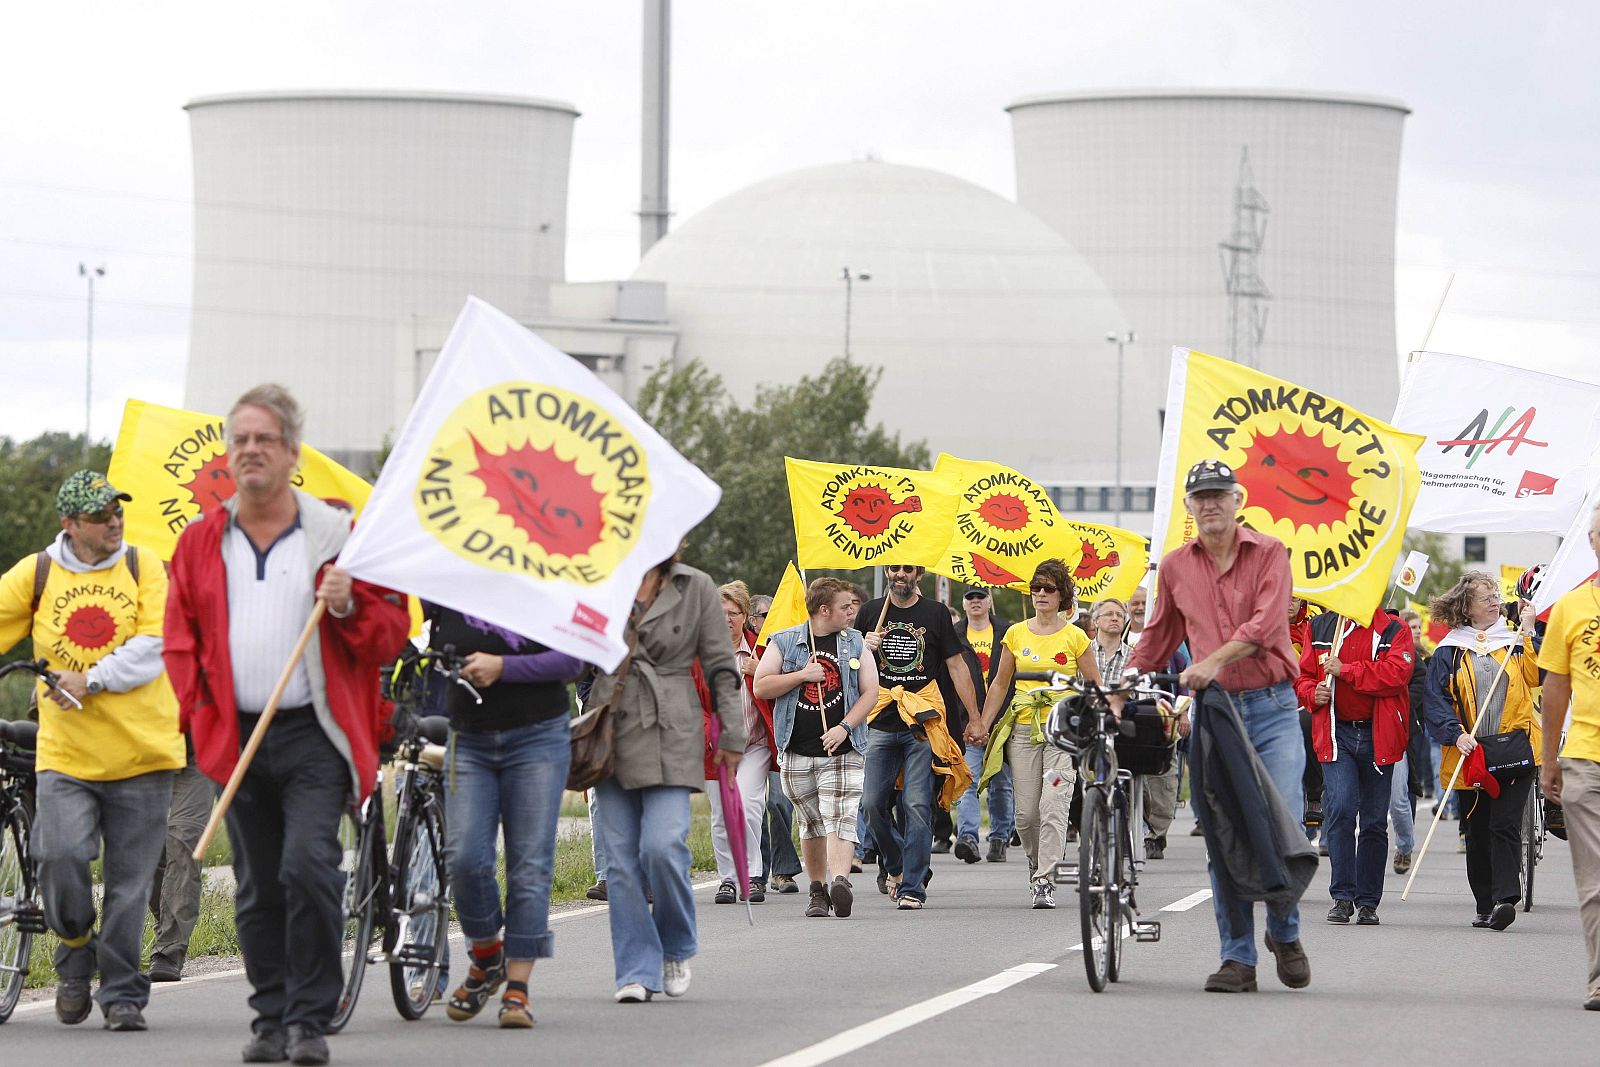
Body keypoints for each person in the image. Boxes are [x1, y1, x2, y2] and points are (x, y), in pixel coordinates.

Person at [165, 385, 410, 1064]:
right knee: (257, 882)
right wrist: (199, 710)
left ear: (291, 451)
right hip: (235, 733)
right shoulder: (200, 541)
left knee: (308, 865)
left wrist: (351, 601)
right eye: (239, 439)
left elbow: (393, 630)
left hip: (315, 733)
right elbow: (179, 638)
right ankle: (269, 1018)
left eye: (263, 439)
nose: (249, 450)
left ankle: (310, 1017)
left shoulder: (338, 534)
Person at [0, 470, 183, 1031]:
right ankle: (76, 947)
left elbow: (155, 645)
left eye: (117, 511)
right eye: (101, 515)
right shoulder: (37, 574)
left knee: (129, 887)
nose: (114, 521)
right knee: (57, 854)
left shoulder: (142, 566)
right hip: (68, 754)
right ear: (70, 525)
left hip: (143, 753)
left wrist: (92, 678)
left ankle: (124, 994)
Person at [1127, 458, 1309, 994]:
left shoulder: (1271, 553)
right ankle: (1238, 959)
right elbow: (1158, 637)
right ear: (1189, 507)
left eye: (1218, 495)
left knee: (1282, 824)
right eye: (1199, 497)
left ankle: (1284, 931)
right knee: (1225, 831)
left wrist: (1211, 662)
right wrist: (1124, 683)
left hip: (1273, 707)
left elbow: (1268, 625)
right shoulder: (1177, 566)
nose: (1210, 505)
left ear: (1238, 499)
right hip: (1217, 714)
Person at [587, 554, 743, 1003]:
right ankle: (635, 969)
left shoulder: (695, 585)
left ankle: (674, 946)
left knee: (663, 846)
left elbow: (720, 666)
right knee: (619, 861)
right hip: (611, 723)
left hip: (672, 726)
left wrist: (731, 731)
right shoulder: (599, 573)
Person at [430, 603, 582, 1029]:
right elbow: (408, 619)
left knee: (528, 865)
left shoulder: (547, 574)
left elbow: (573, 660)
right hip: (468, 738)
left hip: (537, 736)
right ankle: (485, 956)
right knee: (462, 856)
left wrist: (503, 667)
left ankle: (518, 989)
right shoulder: (450, 576)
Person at [969, 561, 1100, 907]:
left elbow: (1094, 687)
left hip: (1061, 734)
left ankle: (1045, 878)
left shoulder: (1076, 637)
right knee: (1027, 813)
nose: (1041, 594)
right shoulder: (1015, 633)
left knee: (1053, 804)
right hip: (1024, 729)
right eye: (1036, 588)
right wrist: (982, 722)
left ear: (1062, 596)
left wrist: (1093, 724)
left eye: (1049, 589)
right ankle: (1034, 861)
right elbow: (999, 683)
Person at [1422, 570, 1542, 931]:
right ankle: (1484, 902)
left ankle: (1505, 900)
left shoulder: (1517, 639)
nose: (1494, 600)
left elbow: (1537, 678)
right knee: (1478, 830)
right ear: (1467, 608)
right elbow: (1435, 699)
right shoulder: (1450, 649)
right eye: (1484, 596)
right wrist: (1454, 734)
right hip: (1471, 752)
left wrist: (1530, 632)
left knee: (1505, 824)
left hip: (1514, 747)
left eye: (1494, 594)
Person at [754, 577, 879, 918]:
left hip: (844, 749)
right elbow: (761, 685)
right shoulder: (784, 641)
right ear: (824, 610)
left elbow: (870, 692)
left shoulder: (855, 643)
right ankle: (817, 890)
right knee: (811, 824)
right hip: (796, 750)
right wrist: (801, 676)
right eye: (844, 607)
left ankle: (840, 881)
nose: (852, 612)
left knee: (841, 816)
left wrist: (844, 727)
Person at [858, 564, 979, 910]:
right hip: (880, 718)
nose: (899, 575)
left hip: (922, 722)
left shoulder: (936, 613)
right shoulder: (869, 612)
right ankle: (898, 865)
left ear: (918, 574)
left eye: (906, 570)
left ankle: (913, 886)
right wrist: (862, 648)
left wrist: (974, 717)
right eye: (894, 569)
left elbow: (957, 667)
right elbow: (847, 664)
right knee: (871, 805)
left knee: (916, 804)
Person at [1294, 606, 1413, 926]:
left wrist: (1346, 670)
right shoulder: (1319, 628)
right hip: (1337, 735)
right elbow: (1303, 678)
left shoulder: (1393, 629)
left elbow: (1395, 676)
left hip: (1379, 735)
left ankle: (1369, 902)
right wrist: (1311, 693)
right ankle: (1342, 896)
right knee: (1342, 809)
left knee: (1374, 821)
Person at [1537, 503, 1600, 1010]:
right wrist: (1548, 758)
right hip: (1586, 756)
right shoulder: (1571, 607)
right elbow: (1555, 686)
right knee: (1595, 879)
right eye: (1599, 534)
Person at [707, 581, 774, 905]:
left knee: (747, 806)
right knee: (721, 813)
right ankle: (728, 879)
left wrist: (762, 672)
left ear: (745, 615)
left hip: (754, 744)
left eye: (733, 613)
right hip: (715, 747)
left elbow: (783, 688)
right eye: (720, 613)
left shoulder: (762, 650)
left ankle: (752, 875)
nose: (727, 619)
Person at [953, 587, 1015, 863]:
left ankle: (1000, 837)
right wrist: (965, 719)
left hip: (1003, 720)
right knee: (968, 781)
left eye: (980, 597)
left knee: (1001, 784)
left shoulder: (1007, 630)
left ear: (990, 601)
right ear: (963, 604)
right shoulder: (954, 633)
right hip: (968, 721)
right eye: (970, 598)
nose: (975, 601)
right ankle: (967, 837)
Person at [146, 748, 218, 982]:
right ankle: (168, 923)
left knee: (184, 839)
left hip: (196, 751)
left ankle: (170, 948)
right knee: (146, 846)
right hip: (145, 752)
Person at [749, 594, 804, 894]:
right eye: (764, 615)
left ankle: (783, 871)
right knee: (753, 806)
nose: (771, 620)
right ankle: (758, 869)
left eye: (775, 614)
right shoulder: (743, 649)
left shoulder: (786, 646)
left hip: (779, 738)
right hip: (749, 742)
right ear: (753, 620)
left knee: (779, 803)